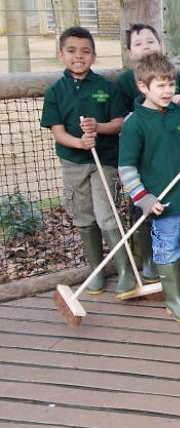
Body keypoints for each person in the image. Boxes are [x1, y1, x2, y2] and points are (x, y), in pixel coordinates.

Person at [40, 26, 135, 299]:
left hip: (104, 161)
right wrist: (79, 142)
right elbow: (58, 132)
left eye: (85, 51)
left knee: (107, 214)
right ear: (61, 55)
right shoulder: (55, 92)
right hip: (73, 162)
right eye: (71, 51)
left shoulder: (107, 88)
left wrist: (98, 127)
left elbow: (118, 124)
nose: (78, 56)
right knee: (84, 217)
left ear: (93, 56)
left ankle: (125, 271)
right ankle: (96, 271)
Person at [118, 52, 180, 323]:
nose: (167, 91)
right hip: (162, 202)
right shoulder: (135, 124)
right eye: (160, 85)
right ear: (143, 86)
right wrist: (143, 198)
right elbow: (127, 169)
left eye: (171, 84)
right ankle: (173, 300)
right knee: (167, 248)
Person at [115, 23, 180, 284]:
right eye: (138, 43)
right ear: (129, 52)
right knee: (143, 211)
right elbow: (120, 121)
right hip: (143, 156)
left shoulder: (173, 76)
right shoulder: (126, 82)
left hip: (171, 156)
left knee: (174, 215)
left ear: (160, 44)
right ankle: (148, 258)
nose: (145, 46)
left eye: (150, 41)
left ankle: (174, 265)